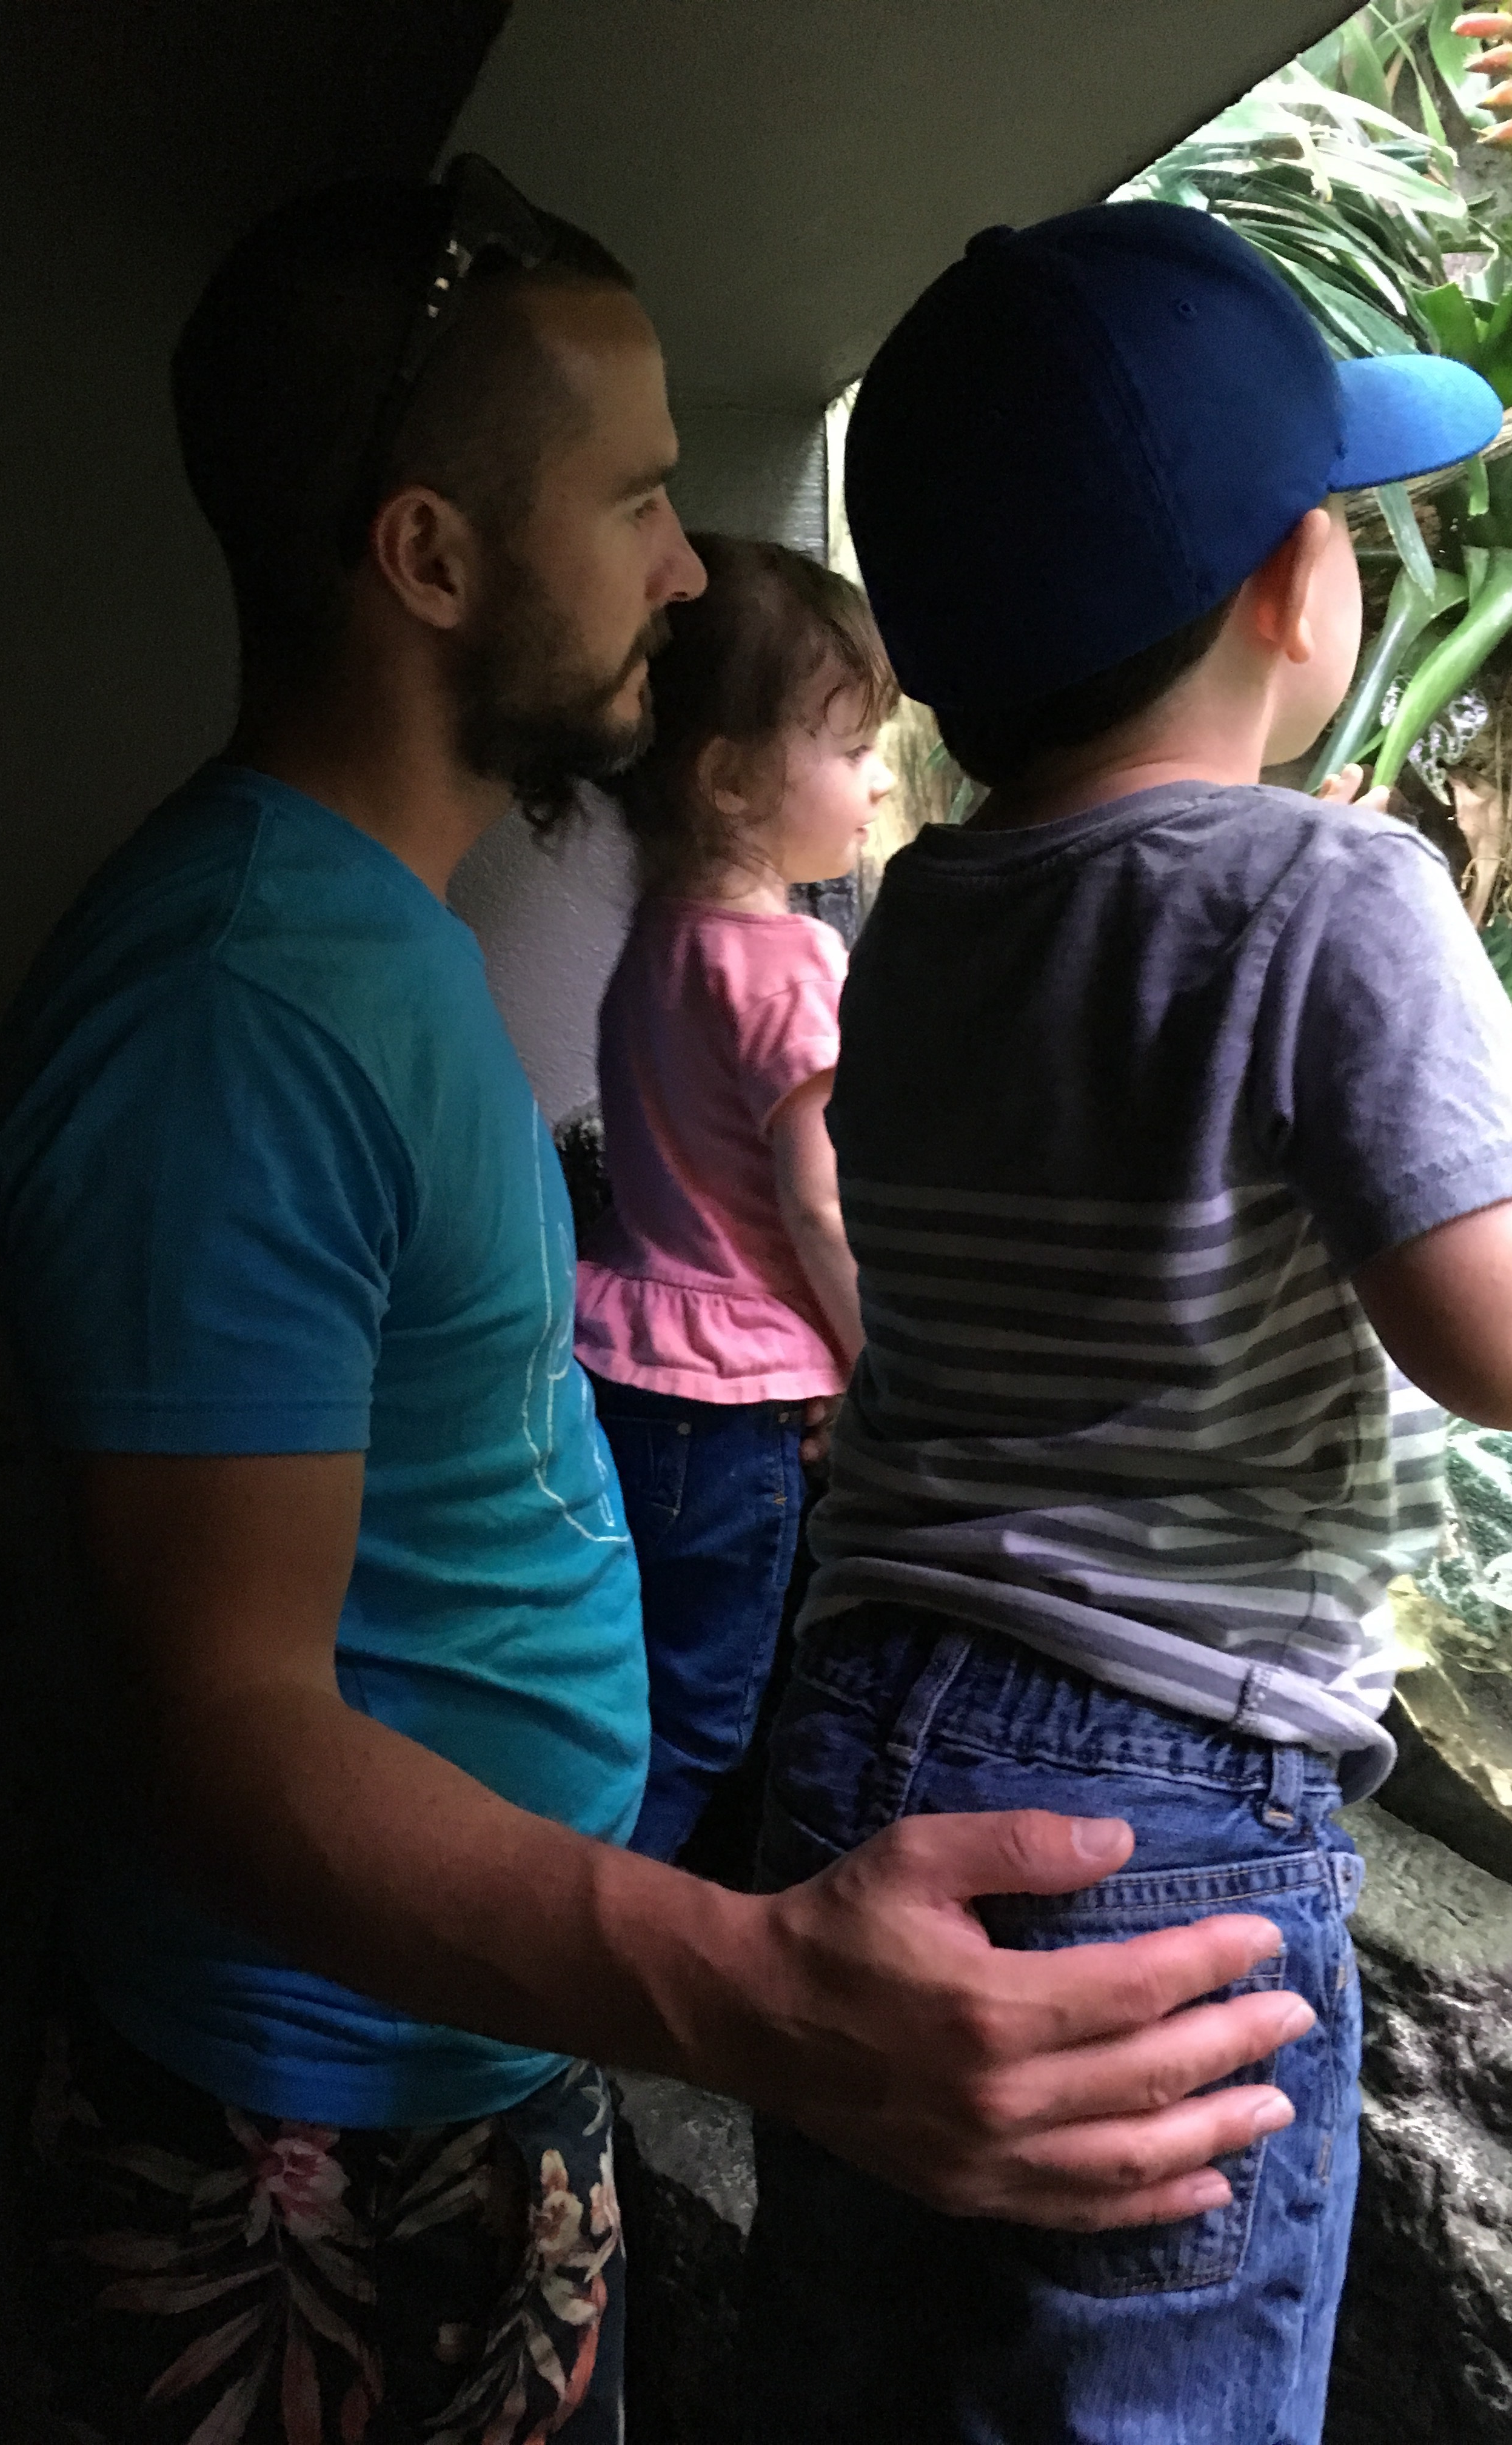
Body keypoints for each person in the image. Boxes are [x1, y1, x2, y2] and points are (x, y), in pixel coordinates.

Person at [0, 164, 1317, 2445]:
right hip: (303, 2147)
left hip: (461, 2056)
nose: (686, 570)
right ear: (430, 558)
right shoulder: (237, 1006)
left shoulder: (362, 943)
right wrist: (754, 1988)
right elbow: (223, 1723)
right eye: (633, 502)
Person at [739, 201, 1512, 2445]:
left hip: (859, 1741)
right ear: (1297, 582)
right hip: (1151, 1806)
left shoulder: (920, 914)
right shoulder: (1330, 888)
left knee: (860, 2371)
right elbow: (1509, 1339)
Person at [574, 533, 892, 1862]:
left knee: (631, 1687)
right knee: (706, 1722)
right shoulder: (791, 961)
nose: (880, 780)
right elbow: (820, 1209)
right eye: (853, 747)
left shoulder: (658, 943)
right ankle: (604, 1937)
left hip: (621, 1363)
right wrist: (878, 1371)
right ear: (730, 781)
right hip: (741, 1405)